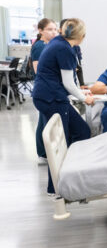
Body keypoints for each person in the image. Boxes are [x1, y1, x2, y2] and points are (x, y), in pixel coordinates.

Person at [32, 18, 94, 195]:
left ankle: (74, 172)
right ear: (82, 36)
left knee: (82, 131)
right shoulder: (64, 48)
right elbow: (68, 82)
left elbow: (63, 78)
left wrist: (80, 93)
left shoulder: (59, 43)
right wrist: (84, 98)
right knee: (60, 142)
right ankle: (56, 188)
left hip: (49, 96)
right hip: (51, 98)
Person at [31, 18, 58, 164]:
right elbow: (38, 69)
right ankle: (43, 154)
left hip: (47, 88)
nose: (53, 32)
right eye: (50, 29)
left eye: (55, 29)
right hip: (45, 89)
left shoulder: (47, 45)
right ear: (40, 31)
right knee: (45, 122)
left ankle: (43, 153)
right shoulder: (40, 46)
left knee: (45, 121)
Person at [58, 18, 86, 88]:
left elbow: (78, 66)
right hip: (60, 85)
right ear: (61, 30)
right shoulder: (60, 46)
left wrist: (82, 84)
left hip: (72, 84)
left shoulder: (75, 46)